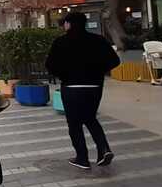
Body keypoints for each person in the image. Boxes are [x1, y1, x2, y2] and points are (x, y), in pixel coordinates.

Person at [45, 12, 121, 170]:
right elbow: (115, 61)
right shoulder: (98, 40)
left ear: (68, 24)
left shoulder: (61, 42)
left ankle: (82, 158)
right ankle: (104, 149)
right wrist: (98, 72)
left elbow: (50, 65)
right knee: (90, 118)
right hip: (94, 87)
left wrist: (64, 75)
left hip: (71, 87)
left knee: (74, 123)